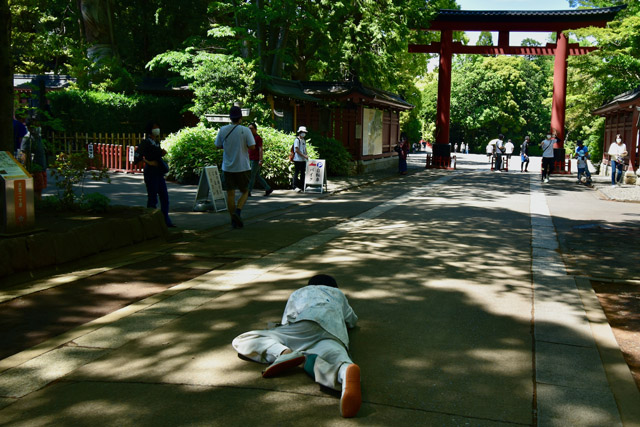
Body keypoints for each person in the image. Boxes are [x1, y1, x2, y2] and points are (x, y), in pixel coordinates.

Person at [231, 274, 361, 418]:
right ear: (334, 287)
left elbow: (287, 319)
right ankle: (344, 371)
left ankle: (284, 353)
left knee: (244, 338)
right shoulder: (338, 294)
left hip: (305, 324)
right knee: (335, 356)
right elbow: (351, 319)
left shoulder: (299, 292)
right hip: (334, 332)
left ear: (309, 285)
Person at [215, 106, 256, 228]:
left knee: (230, 194)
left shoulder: (222, 130)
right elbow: (252, 146)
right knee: (245, 191)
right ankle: (238, 211)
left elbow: (217, 145)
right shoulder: (245, 130)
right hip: (243, 166)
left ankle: (233, 220)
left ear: (230, 117)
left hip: (227, 167)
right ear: (241, 118)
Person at [137, 121, 174, 227]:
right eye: (155, 127)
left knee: (164, 198)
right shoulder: (145, 143)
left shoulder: (156, 142)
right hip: (151, 172)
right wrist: (149, 162)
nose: (157, 129)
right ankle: (151, 223)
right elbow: (138, 157)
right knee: (153, 198)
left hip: (159, 172)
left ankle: (165, 221)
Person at [20, 118, 47, 200]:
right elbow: (24, 154)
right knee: (35, 189)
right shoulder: (27, 138)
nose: (37, 127)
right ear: (29, 127)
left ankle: (39, 203)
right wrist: (27, 169)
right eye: (34, 125)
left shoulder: (38, 137)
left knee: (40, 189)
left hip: (41, 167)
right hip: (34, 168)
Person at [247, 123, 273, 197]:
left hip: (255, 159)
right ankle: (268, 188)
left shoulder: (258, 138)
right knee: (256, 176)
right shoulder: (249, 137)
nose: (250, 130)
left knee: (252, 175)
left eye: (251, 128)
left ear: (255, 129)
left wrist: (260, 160)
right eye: (249, 128)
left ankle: (248, 191)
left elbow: (260, 149)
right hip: (250, 158)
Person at [292, 126, 309, 191]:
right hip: (297, 159)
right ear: (300, 132)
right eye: (303, 132)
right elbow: (296, 150)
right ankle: (294, 186)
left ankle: (302, 186)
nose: (304, 133)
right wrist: (304, 156)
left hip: (303, 160)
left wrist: (306, 155)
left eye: (304, 132)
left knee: (302, 173)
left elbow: (304, 148)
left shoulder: (303, 140)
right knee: (296, 172)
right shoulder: (297, 140)